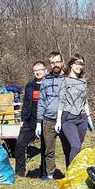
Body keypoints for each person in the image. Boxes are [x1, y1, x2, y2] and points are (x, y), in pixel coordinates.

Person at [35, 51, 70, 180]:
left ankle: (70, 173)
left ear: (62, 62)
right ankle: (50, 174)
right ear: (50, 64)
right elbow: (41, 102)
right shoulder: (45, 81)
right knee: (49, 150)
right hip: (48, 120)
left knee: (69, 149)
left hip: (66, 120)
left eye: (57, 61)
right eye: (52, 62)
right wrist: (39, 122)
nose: (55, 64)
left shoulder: (68, 78)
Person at [55, 53, 94, 165]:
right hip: (68, 118)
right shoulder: (65, 81)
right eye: (77, 63)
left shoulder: (83, 81)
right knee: (75, 146)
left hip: (82, 118)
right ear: (71, 64)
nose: (79, 66)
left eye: (81, 64)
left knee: (77, 148)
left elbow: (85, 100)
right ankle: (72, 176)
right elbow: (61, 101)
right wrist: (58, 120)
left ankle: (71, 173)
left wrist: (89, 117)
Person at [14, 61, 47, 177]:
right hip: (30, 120)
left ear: (44, 70)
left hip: (45, 120)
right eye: (35, 70)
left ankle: (45, 172)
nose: (38, 72)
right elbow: (26, 104)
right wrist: (23, 119)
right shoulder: (29, 86)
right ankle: (19, 172)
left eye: (40, 70)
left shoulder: (49, 84)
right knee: (20, 144)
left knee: (46, 147)